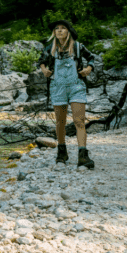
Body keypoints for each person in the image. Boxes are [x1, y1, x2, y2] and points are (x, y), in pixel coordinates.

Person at [38, 20, 99, 169]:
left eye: (63, 28)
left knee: (79, 121)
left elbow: (91, 57)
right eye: (56, 29)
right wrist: (44, 70)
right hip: (57, 87)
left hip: (76, 86)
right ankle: (62, 153)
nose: (59, 31)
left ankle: (83, 156)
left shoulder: (78, 47)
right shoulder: (50, 49)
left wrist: (89, 68)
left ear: (69, 31)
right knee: (60, 122)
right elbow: (41, 61)